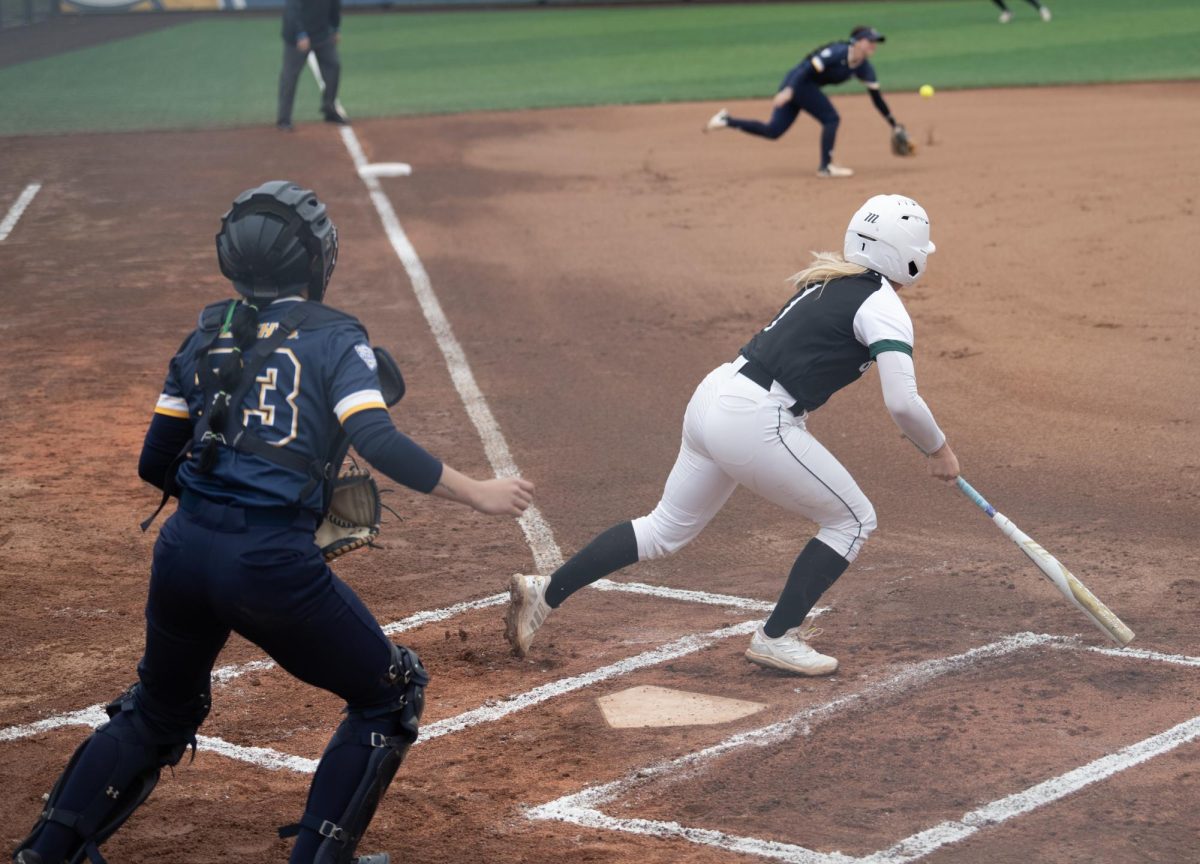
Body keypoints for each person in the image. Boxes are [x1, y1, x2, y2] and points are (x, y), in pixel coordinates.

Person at [12, 181, 535, 864]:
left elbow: (154, 463)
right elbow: (375, 439)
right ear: (315, 261)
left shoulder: (207, 330)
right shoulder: (338, 336)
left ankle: (46, 853)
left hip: (182, 551)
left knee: (159, 709)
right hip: (268, 565)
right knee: (391, 694)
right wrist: (480, 493)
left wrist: (230, 487)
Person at [505, 194, 959, 677]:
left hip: (716, 396)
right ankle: (777, 637)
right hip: (755, 419)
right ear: (906, 253)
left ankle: (546, 593)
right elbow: (903, 402)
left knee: (663, 529)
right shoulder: (882, 304)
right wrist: (940, 450)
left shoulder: (829, 280)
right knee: (851, 520)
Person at [703, 25, 903, 179]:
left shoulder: (864, 67)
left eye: (875, 41)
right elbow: (805, 69)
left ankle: (726, 120)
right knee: (831, 118)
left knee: (773, 131)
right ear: (857, 42)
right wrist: (789, 90)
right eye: (870, 41)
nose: (874, 45)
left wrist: (893, 125)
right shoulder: (837, 52)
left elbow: (876, 98)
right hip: (798, 83)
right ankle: (826, 167)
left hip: (804, 89)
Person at [278, 0, 349, 130]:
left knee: (334, 66)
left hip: (322, 34)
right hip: (296, 37)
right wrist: (300, 34)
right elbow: (292, 9)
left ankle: (329, 109)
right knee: (290, 76)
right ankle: (284, 118)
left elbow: (335, 5)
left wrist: (335, 28)